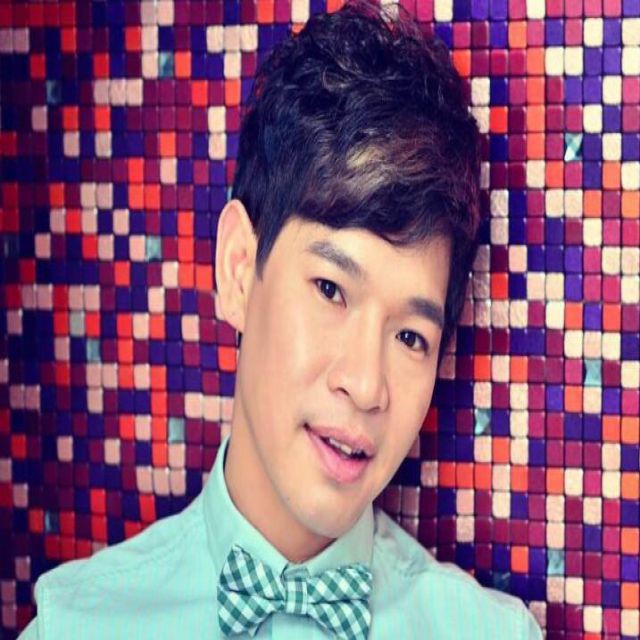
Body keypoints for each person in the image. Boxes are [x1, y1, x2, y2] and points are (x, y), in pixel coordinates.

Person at [20, 2, 542, 638]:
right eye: (330, 289)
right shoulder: (76, 625)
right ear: (240, 270)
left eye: (411, 336)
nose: (366, 385)